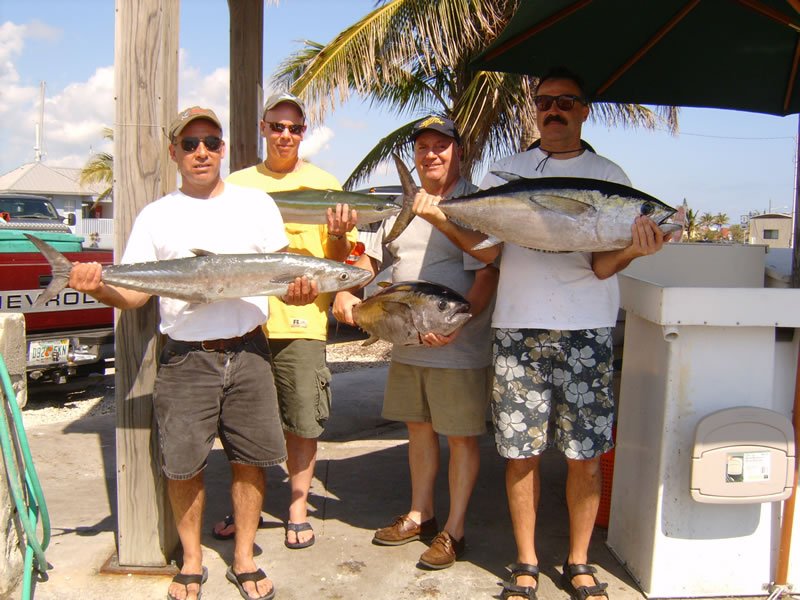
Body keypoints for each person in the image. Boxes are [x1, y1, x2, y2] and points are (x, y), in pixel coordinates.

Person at [412, 68, 678, 600]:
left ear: (584, 110)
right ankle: (527, 563)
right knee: (520, 451)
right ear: (535, 109)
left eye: (566, 102)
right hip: (518, 329)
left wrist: (635, 247)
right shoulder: (505, 173)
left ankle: (579, 561)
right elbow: (488, 252)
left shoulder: (609, 174)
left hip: (587, 329)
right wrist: (442, 219)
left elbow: (603, 267)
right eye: (544, 102)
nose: (553, 110)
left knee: (583, 453)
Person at [67, 106, 320, 600]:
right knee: (184, 464)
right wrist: (98, 287)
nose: (201, 151)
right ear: (175, 153)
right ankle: (192, 560)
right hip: (185, 358)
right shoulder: (157, 214)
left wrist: (300, 291)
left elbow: (282, 277)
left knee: (251, 461)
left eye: (210, 141)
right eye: (190, 144)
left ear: (223, 148)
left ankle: (244, 557)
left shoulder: (257, 205)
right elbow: (136, 296)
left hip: (249, 353)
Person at [333, 116, 499, 570]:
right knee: (418, 430)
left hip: (458, 345)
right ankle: (420, 513)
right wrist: (347, 289)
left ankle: (455, 529)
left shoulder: (473, 203)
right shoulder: (405, 206)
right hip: (405, 340)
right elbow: (375, 257)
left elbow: (490, 266)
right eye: (422, 146)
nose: (431, 154)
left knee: (461, 439)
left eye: (441, 146)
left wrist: (459, 327)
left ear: (459, 152)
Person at [211, 92, 358, 550]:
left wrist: (336, 238)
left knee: (302, 419)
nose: (285, 135)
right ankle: (246, 508)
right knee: (244, 423)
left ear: (304, 132)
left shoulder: (325, 183)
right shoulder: (235, 183)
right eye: (277, 127)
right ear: (262, 128)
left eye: (294, 128)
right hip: (244, 321)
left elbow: (343, 257)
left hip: (301, 321)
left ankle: (297, 504)